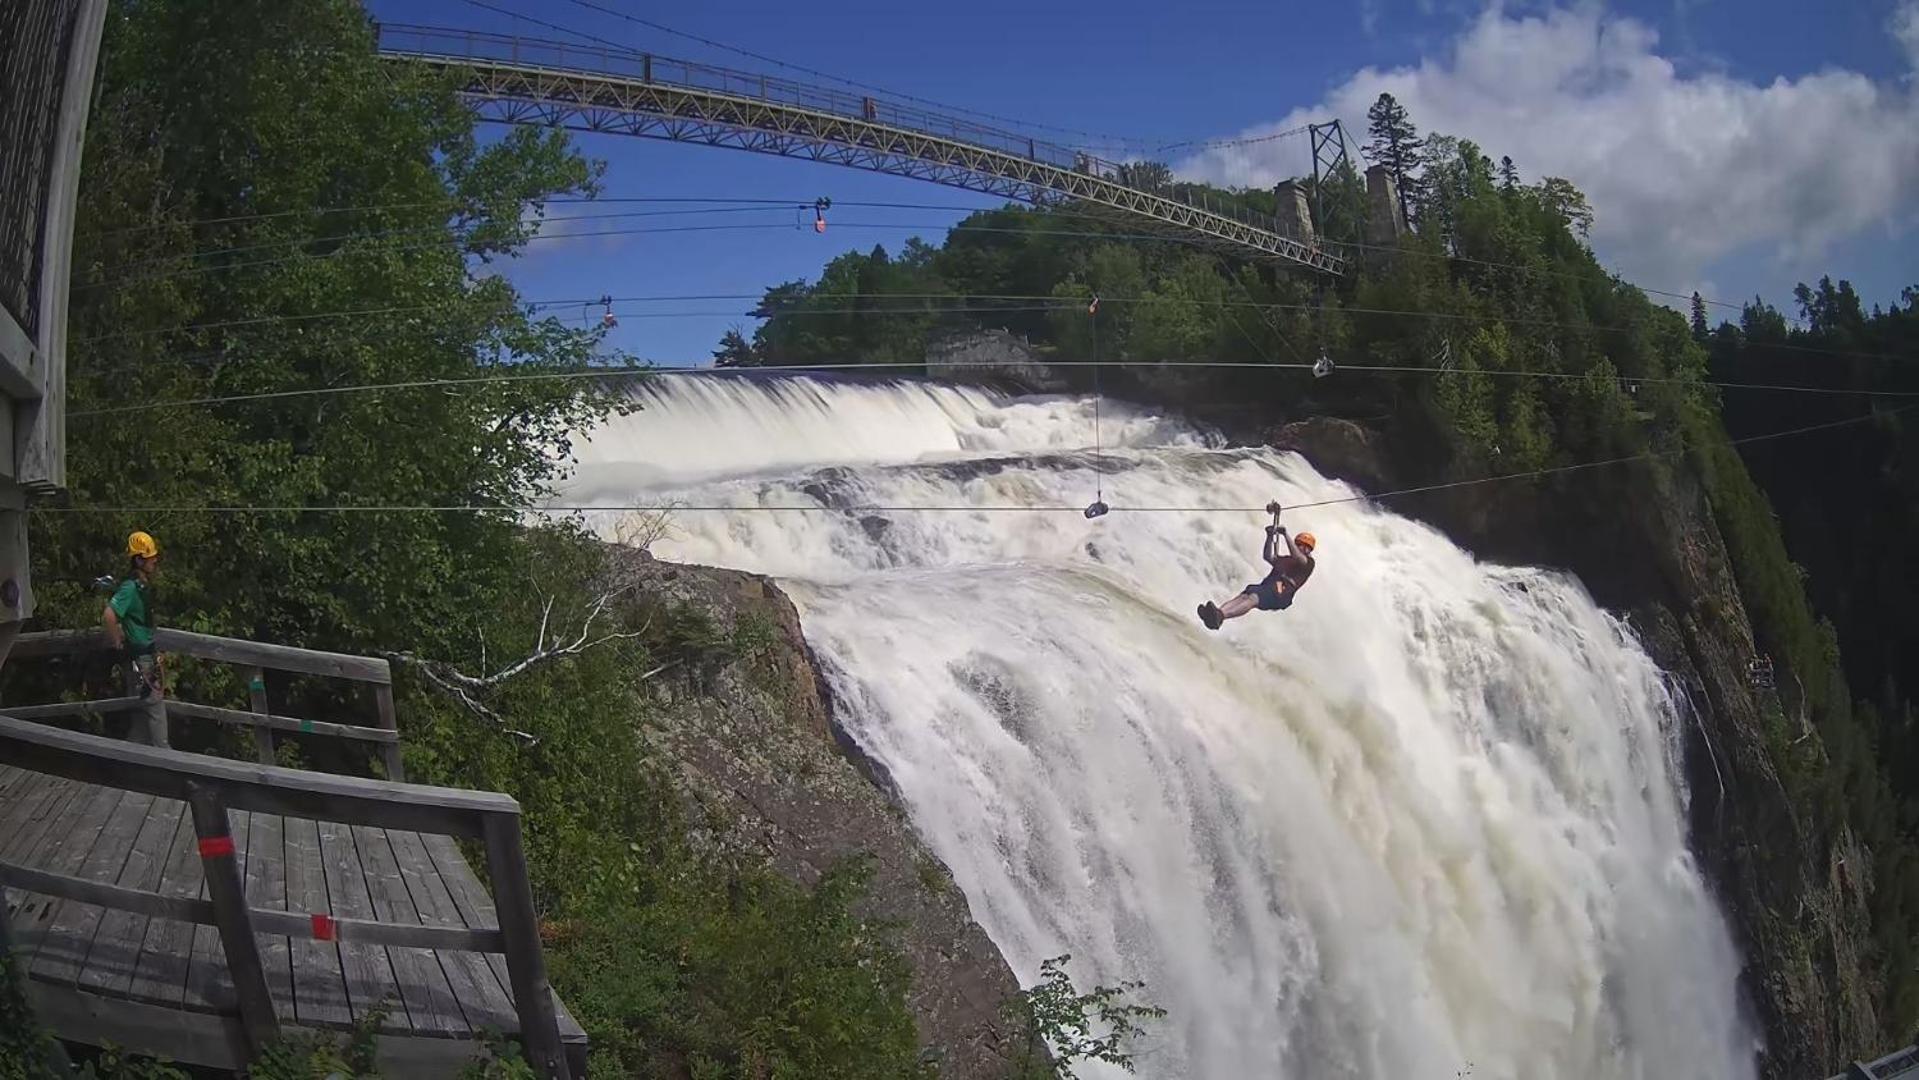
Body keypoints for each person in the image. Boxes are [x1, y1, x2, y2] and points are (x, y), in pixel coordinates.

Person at [1198, 502, 1316, 630]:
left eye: (1305, 547)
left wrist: (1285, 534)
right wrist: (1269, 536)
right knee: (1245, 595)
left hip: (1281, 593)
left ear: (1309, 550)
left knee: (1254, 598)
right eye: (1299, 545)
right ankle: (1218, 613)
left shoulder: (1308, 563)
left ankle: (1222, 616)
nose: (1301, 548)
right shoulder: (1286, 560)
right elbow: (1268, 557)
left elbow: (1298, 557)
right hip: (1269, 587)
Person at [103, 531, 167, 746]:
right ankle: (166, 757)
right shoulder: (130, 588)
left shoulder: (141, 585)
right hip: (140, 655)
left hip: (145, 652)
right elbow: (110, 614)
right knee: (155, 706)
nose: (154, 560)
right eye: (150, 557)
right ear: (139, 559)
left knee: (142, 710)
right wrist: (117, 642)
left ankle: (133, 754)